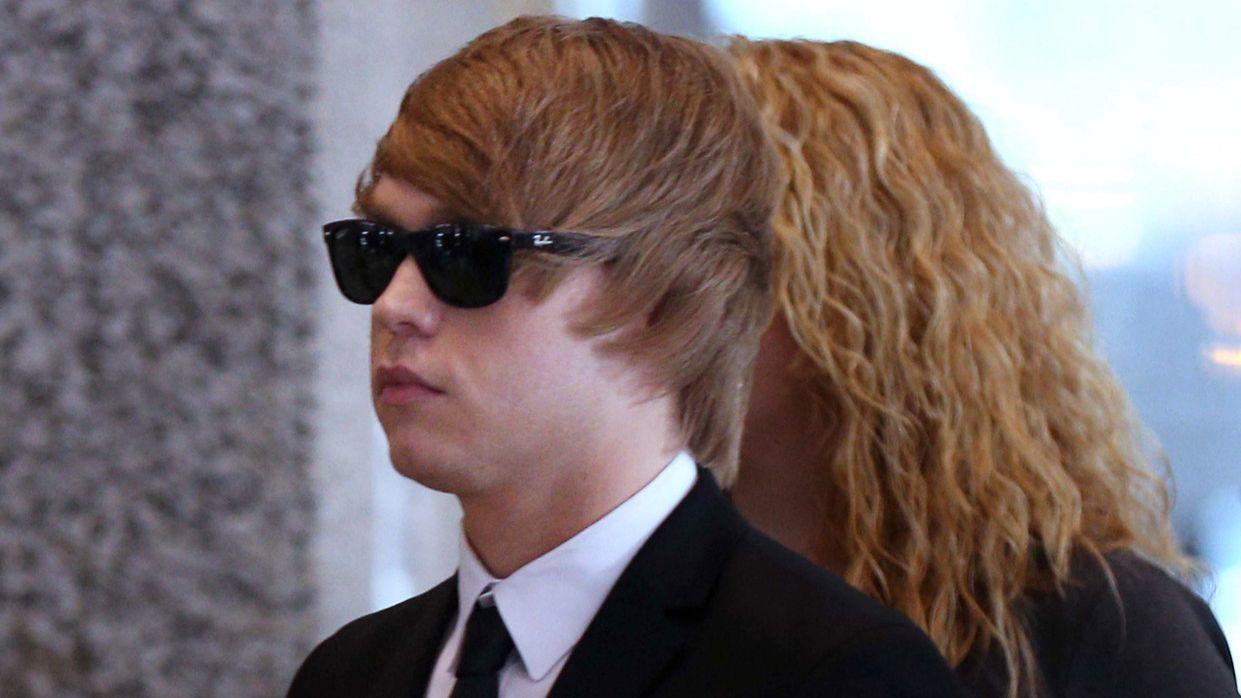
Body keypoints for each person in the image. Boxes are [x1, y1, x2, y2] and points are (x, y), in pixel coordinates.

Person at [288, 17, 964, 698]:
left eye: (466, 253)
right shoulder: (347, 674)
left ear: (662, 294)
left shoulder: (834, 674)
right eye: (374, 248)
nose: (394, 306)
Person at [726, 37, 1239, 698]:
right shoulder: (644, 594)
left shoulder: (1101, 632)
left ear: (861, 298)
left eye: (718, 264)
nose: (657, 310)